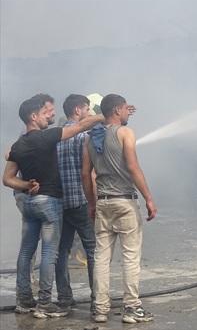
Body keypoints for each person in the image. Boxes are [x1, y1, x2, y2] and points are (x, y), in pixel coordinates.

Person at [2, 96, 104, 318]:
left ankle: (24, 300)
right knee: (51, 252)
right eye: (44, 113)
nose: (48, 116)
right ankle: (45, 303)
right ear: (33, 116)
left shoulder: (17, 146)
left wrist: (26, 185)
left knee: (26, 250)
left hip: (29, 203)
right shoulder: (47, 137)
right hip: (49, 202)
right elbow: (81, 125)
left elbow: (7, 179)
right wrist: (108, 114)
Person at [82, 93, 157, 324]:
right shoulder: (126, 133)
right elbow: (133, 167)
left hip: (103, 202)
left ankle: (100, 309)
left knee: (101, 258)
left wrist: (92, 204)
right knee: (130, 257)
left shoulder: (89, 139)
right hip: (124, 202)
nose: (128, 113)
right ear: (117, 111)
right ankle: (132, 308)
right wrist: (149, 198)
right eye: (125, 109)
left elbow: (86, 174)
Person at [55, 94, 97, 310]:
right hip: (82, 200)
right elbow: (88, 173)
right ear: (79, 110)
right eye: (88, 109)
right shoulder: (84, 137)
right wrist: (94, 202)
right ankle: (97, 298)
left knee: (61, 252)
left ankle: (64, 298)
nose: (89, 113)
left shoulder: (56, 137)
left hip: (61, 204)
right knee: (92, 250)